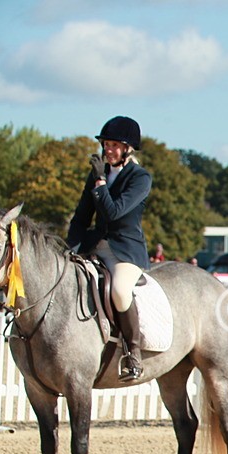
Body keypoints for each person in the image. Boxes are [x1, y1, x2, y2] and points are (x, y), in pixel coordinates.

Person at [65, 115, 151, 382]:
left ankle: (132, 354)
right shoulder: (96, 176)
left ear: (128, 149)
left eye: (115, 145)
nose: (109, 150)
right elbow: (81, 217)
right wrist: (70, 250)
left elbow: (113, 213)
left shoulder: (140, 178)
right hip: (95, 245)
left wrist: (101, 183)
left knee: (119, 290)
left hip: (125, 251)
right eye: (106, 144)